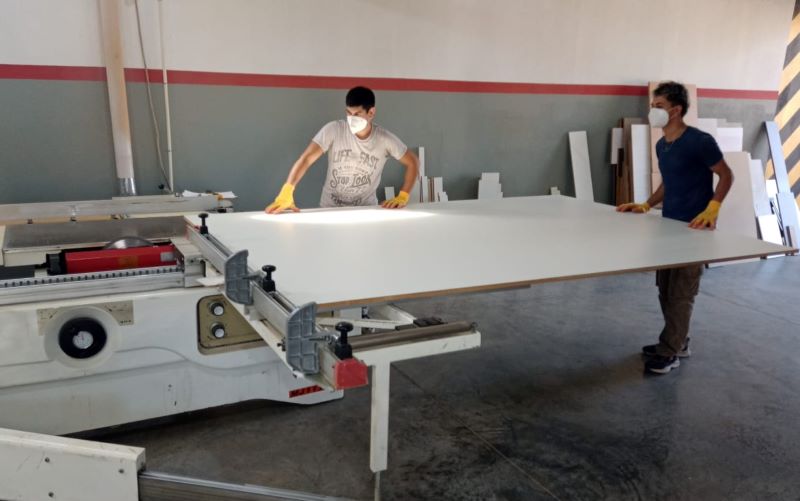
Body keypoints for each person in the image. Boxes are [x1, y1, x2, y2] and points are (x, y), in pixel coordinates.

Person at [617, 81, 734, 375]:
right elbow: (668, 183)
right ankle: (676, 340)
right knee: (665, 289)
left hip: (694, 229)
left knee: (682, 292)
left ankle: (671, 351)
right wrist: (646, 204)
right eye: (652, 106)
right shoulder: (662, 145)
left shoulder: (700, 141)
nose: (652, 111)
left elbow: (726, 175)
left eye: (659, 106)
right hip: (668, 226)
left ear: (676, 110)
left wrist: (713, 207)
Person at [265, 86, 419, 213]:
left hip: (366, 210)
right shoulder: (333, 130)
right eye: (349, 113)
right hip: (330, 209)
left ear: (371, 112)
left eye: (357, 114)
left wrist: (403, 196)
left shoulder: (384, 139)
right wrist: (286, 192)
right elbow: (306, 159)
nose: (352, 119)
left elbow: (413, 162)